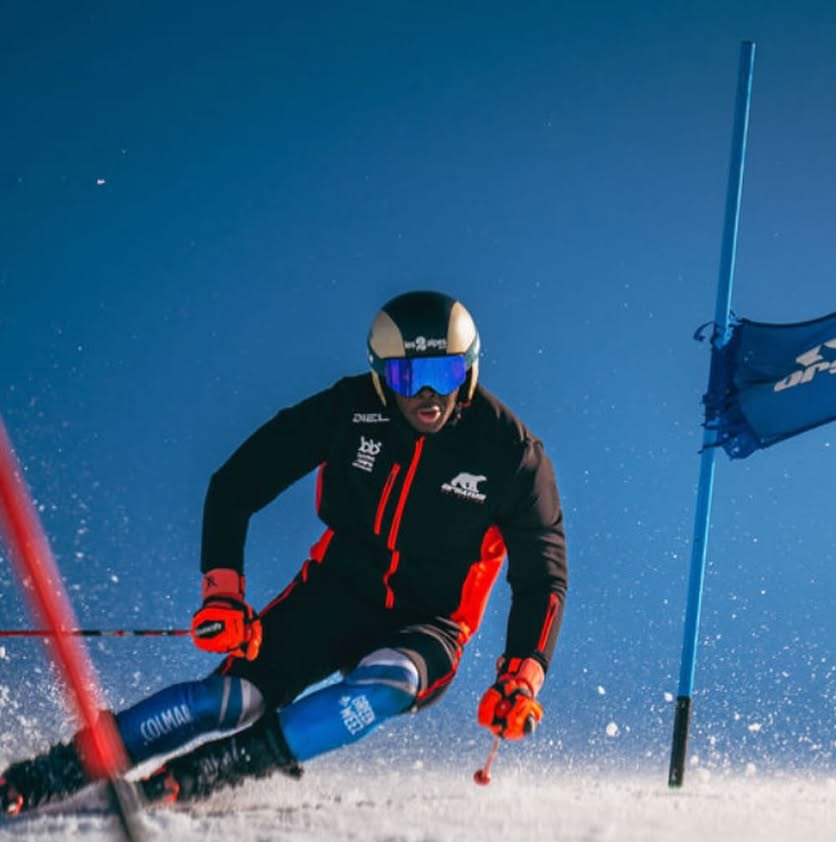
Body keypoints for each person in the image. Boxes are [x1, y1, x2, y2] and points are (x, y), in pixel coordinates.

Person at [0, 290, 568, 814]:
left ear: (468, 371)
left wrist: (522, 675)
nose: (426, 394)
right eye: (405, 374)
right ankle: (46, 775)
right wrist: (223, 595)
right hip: (332, 595)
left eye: (443, 373)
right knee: (228, 698)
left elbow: (542, 575)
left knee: (388, 684)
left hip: (430, 625)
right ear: (381, 375)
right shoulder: (350, 410)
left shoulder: (512, 454)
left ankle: (205, 772)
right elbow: (237, 484)